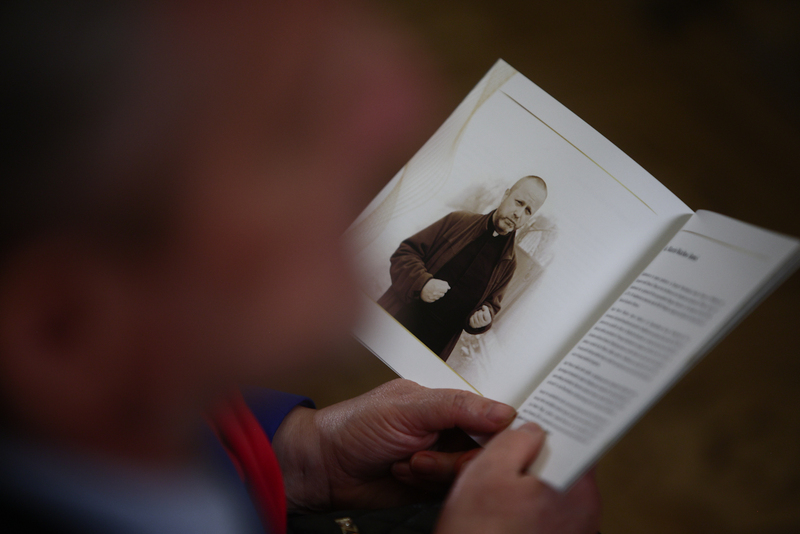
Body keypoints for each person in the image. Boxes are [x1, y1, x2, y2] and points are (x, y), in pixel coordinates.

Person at [0, 1, 599, 533]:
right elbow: (406, 253)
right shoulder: (459, 221)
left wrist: (294, 456)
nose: (403, 104)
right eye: (289, 118)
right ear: (65, 329)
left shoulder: (127, 406)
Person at [378, 176, 547, 360]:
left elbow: (491, 305)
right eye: (518, 202)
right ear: (506, 195)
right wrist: (423, 283)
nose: (518, 213)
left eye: (528, 210)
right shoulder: (458, 220)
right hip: (395, 323)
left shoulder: (509, 263)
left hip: (432, 350)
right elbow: (405, 253)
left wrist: (482, 319)